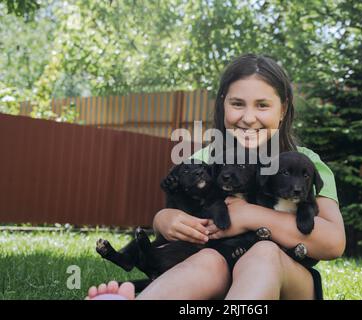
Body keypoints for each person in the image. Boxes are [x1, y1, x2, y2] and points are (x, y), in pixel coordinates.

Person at [86, 53, 345, 300]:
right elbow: (176, 209)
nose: (248, 117)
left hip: (287, 282)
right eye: (237, 104)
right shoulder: (203, 161)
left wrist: (249, 215)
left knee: (263, 253)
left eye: (263, 105)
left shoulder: (303, 164)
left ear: (283, 109)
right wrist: (163, 220)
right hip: (216, 278)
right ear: (223, 103)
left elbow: (333, 243)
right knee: (207, 260)